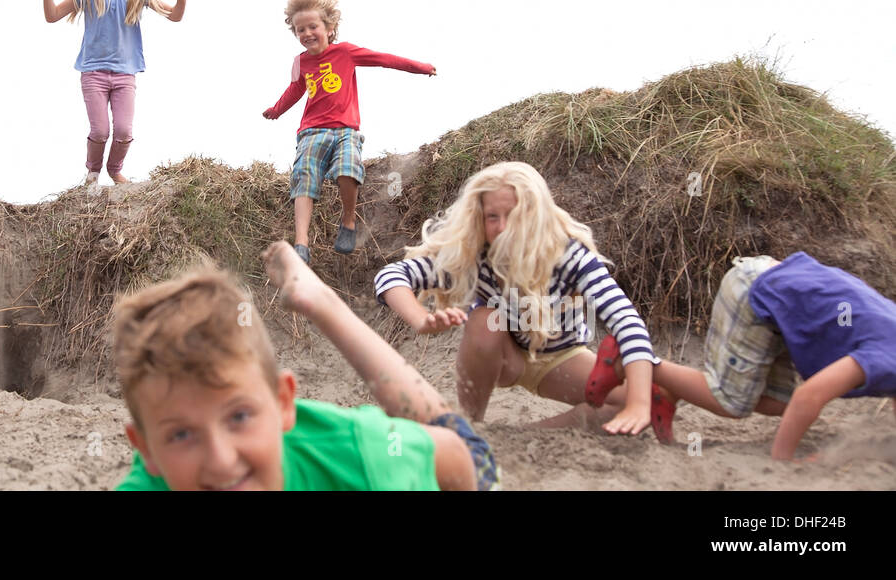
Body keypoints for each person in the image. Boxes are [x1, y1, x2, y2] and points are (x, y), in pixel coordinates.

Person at [113, 241, 500, 490]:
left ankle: (320, 301)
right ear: (147, 449)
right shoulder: (152, 481)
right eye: (181, 435)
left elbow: (453, 455)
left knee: (455, 433)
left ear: (284, 403)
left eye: (239, 417)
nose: (221, 460)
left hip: (416, 452)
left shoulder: (364, 460)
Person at [375, 161, 673, 441]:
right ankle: (470, 422)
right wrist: (420, 319)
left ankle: (517, 435)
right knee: (484, 321)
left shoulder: (568, 256)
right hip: (503, 358)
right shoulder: (473, 254)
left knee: (643, 399)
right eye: (493, 216)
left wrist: (638, 403)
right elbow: (391, 275)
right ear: (479, 218)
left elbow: (626, 320)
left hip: (560, 359)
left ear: (534, 214)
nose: (503, 227)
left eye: (514, 216)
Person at [587, 252, 896, 459]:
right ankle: (631, 359)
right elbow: (810, 397)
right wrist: (783, 461)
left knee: (780, 405)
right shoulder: (887, 358)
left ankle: (670, 389)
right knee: (732, 402)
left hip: (781, 291)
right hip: (756, 291)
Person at [262, 0, 434, 261]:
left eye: (313, 27)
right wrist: (276, 110)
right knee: (304, 176)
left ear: (329, 29)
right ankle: (301, 243)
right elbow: (295, 89)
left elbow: (383, 59)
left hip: (345, 129)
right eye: (300, 29)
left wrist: (420, 67)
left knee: (347, 168)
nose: (307, 33)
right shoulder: (300, 62)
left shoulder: (345, 53)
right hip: (311, 131)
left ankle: (349, 221)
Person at [41, 0, 187, 185]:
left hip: (124, 73)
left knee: (123, 130)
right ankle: (93, 173)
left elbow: (173, 16)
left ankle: (114, 169)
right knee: (99, 131)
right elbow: (52, 15)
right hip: (93, 72)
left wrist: (181, 1)